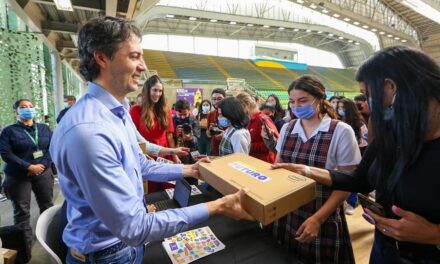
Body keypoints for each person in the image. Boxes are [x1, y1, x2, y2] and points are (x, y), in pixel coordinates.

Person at [50, 16, 253, 264]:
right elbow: (135, 228)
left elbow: (140, 163)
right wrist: (219, 206)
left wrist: (191, 169)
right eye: (134, 56)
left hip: (121, 248)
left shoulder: (117, 112)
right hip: (108, 255)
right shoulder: (89, 131)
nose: (143, 66)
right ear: (102, 58)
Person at [271, 46, 440, 263]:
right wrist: (305, 170)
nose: (368, 104)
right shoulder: (390, 131)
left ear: (392, 87)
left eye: (369, 95)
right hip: (386, 249)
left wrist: (435, 234)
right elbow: (360, 179)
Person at [271, 75, 361, 264]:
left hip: (322, 213)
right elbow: (278, 169)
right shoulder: (287, 128)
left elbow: (346, 183)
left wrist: (318, 219)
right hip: (287, 211)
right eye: (293, 102)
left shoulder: (341, 131)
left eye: (302, 101)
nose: (296, 106)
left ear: (320, 99)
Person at [0, 99, 54, 262]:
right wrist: (29, 167)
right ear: (16, 112)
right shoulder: (9, 131)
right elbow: (5, 153)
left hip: (43, 173)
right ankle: (25, 252)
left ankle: (50, 241)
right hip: (18, 176)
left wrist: (42, 166)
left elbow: (52, 148)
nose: (28, 110)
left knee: (47, 206)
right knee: (22, 212)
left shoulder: (44, 128)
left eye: (30, 107)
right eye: (23, 107)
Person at [130, 75, 179, 192]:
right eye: (155, 90)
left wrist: (175, 155)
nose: (158, 94)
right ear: (147, 91)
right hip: (147, 156)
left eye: (160, 91)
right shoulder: (135, 110)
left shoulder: (165, 110)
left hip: (165, 154)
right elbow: (133, 138)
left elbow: (169, 135)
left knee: (168, 190)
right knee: (151, 193)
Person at [337, 98, 369, 215]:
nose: (340, 110)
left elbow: (364, 144)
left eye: (343, 108)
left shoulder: (360, 124)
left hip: (357, 157)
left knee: (352, 180)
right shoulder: (338, 122)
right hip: (341, 156)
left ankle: (351, 203)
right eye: (339, 107)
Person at [236, 93, 279, 163]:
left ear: (245, 106)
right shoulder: (248, 120)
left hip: (264, 163)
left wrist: (249, 145)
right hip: (253, 162)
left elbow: (276, 144)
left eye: (238, 109)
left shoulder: (262, 119)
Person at [206, 88, 226, 156]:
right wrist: (210, 131)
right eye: (214, 99)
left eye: (219, 99)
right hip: (214, 150)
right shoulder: (211, 114)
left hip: (228, 151)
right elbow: (208, 134)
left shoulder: (231, 114)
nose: (216, 101)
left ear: (225, 99)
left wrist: (225, 135)